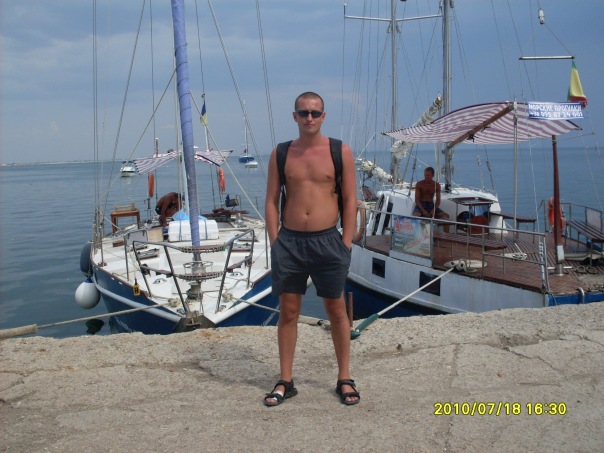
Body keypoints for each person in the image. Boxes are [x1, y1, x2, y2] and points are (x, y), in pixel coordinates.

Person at [264, 92, 360, 406]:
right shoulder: (281, 153)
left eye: (315, 113)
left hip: (328, 241)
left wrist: (346, 242)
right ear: (294, 116)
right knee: (289, 311)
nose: (309, 118)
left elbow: (350, 200)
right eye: (303, 113)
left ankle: (344, 377)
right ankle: (285, 380)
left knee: (336, 310)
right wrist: (275, 242)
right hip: (290, 242)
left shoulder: (339, 151)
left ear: (323, 116)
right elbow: (271, 200)